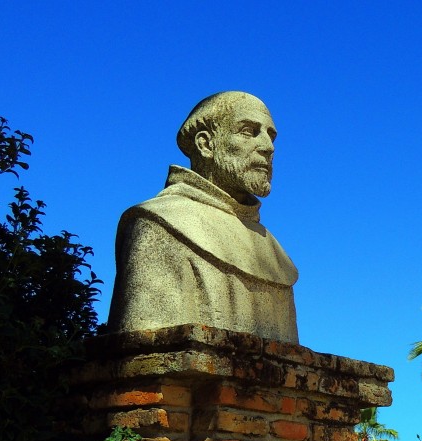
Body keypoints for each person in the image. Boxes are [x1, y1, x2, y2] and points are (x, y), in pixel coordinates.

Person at [108, 92, 299, 343]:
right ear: (206, 144)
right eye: (248, 131)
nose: (268, 147)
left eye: (270, 135)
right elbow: (142, 354)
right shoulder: (161, 223)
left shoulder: (272, 252)